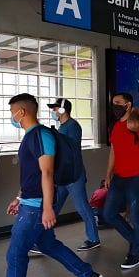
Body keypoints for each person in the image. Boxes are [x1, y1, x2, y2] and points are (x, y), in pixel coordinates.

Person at [2, 93, 102, 277]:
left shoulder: (40, 135)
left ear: (22, 112)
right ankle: (86, 275)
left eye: (12, 112)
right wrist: (19, 197)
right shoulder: (31, 136)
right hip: (30, 202)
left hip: (36, 207)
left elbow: (47, 172)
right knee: (47, 244)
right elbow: (33, 175)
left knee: (15, 254)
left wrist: (47, 207)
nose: (12, 117)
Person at [48, 98, 100, 251]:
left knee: (82, 207)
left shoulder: (73, 126)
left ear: (63, 110)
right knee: (53, 208)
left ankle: (93, 239)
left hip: (73, 175)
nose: (54, 112)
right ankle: (45, 239)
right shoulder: (61, 127)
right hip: (62, 175)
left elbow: (70, 150)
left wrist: (54, 138)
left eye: (56, 109)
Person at [103, 92, 139, 269]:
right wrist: (108, 173)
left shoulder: (138, 122)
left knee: (136, 215)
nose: (114, 105)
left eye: (118, 103)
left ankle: (136, 253)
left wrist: (135, 111)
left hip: (137, 176)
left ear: (127, 105)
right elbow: (114, 151)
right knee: (108, 214)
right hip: (119, 177)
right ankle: (136, 238)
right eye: (113, 102)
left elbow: (132, 124)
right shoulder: (115, 126)